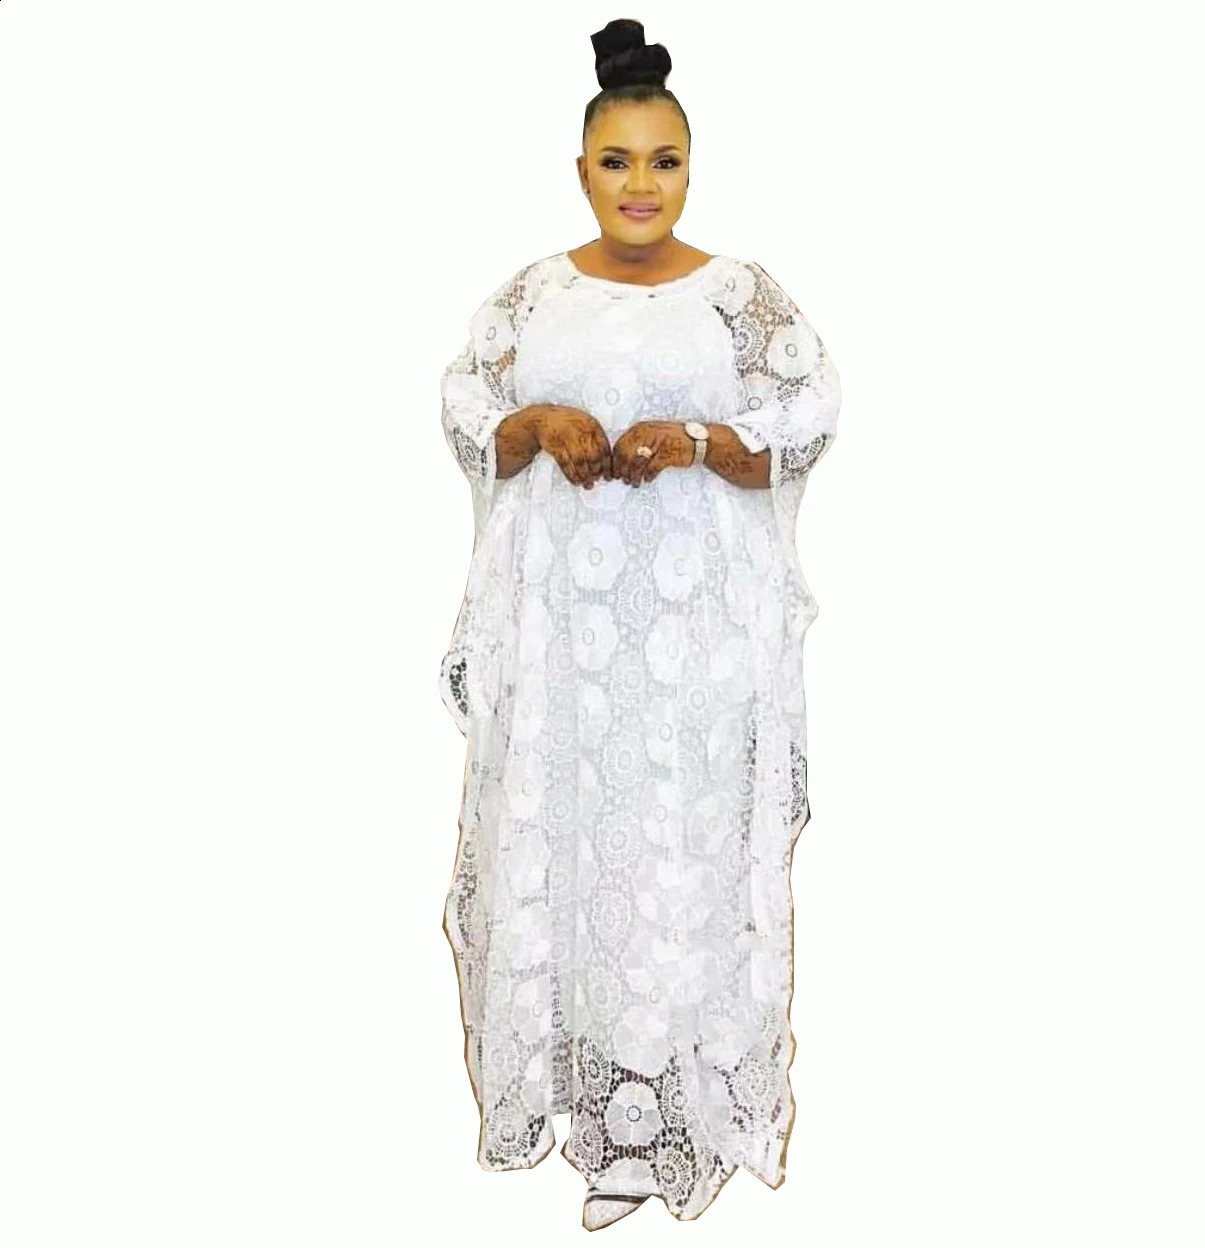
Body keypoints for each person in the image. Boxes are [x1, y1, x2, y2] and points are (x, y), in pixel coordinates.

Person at [438, 18, 842, 1231]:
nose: (640, 185)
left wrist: (708, 441)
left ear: (691, 167)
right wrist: (531, 427)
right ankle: (598, 1115)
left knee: (681, 855)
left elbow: (812, 408)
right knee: (572, 845)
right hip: (566, 647)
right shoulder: (536, 294)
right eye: (617, 162)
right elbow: (468, 396)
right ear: (581, 170)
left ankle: (683, 1109)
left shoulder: (739, 295)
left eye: (664, 161)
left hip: (692, 649)